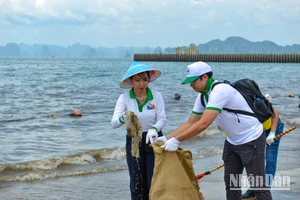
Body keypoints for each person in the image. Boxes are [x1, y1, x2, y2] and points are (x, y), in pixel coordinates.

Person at [158, 61, 272, 200]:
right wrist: (166, 138)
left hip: (251, 139)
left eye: (193, 81)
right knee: (231, 185)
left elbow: (203, 124)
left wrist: (177, 140)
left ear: (204, 77)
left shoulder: (220, 90)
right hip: (232, 142)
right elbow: (190, 122)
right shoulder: (203, 96)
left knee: (258, 186)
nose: (191, 85)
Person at [111, 61, 166, 200]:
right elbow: (114, 123)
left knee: (154, 178)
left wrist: (154, 129)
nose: (142, 84)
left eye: (145, 79)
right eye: (137, 80)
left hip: (153, 138)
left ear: (149, 79)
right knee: (137, 181)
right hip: (134, 140)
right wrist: (124, 118)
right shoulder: (124, 98)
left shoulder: (156, 95)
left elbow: (162, 119)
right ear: (131, 81)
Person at [242, 94, 284, 198]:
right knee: (254, 160)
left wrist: (272, 133)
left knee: (270, 158)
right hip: (259, 130)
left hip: (273, 127)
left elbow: (275, 112)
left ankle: (264, 189)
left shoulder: (256, 103)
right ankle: (253, 188)